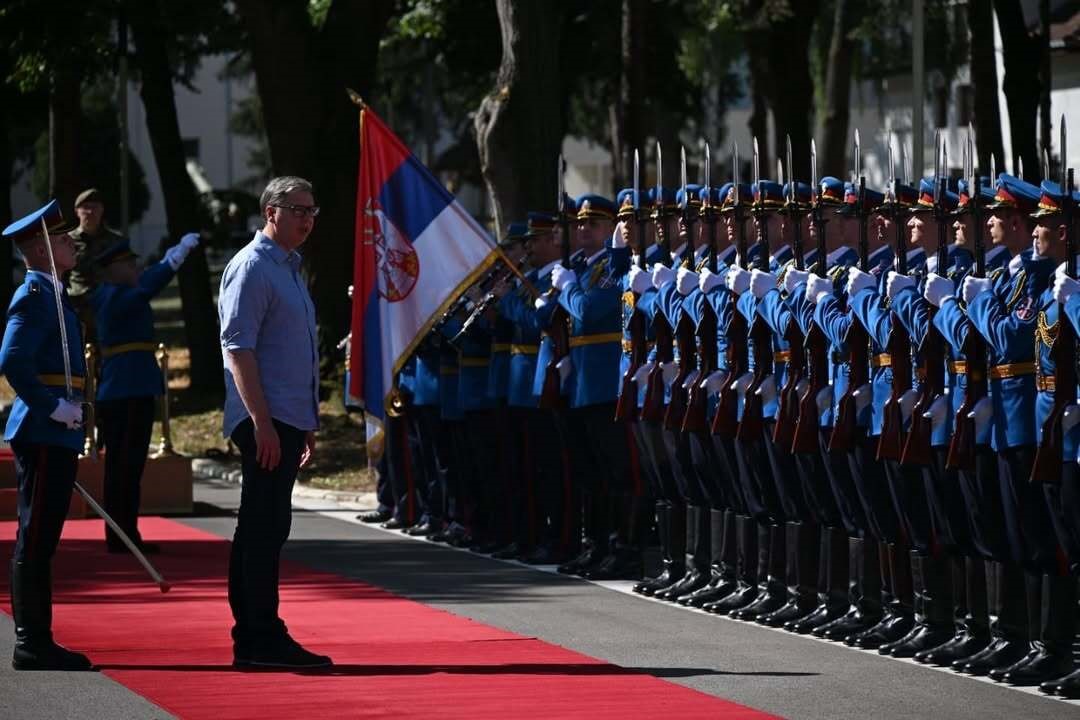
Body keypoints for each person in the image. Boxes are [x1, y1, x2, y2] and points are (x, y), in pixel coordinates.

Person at [218, 175, 329, 669]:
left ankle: (256, 632)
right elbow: (238, 349)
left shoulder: (289, 267)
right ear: (272, 212)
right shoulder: (253, 267)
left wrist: (305, 421)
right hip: (264, 414)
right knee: (263, 527)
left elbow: (294, 351)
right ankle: (258, 635)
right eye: (298, 210)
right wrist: (262, 421)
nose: (307, 219)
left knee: (266, 525)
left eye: (312, 211)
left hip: (285, 416)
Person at [1, 199, 93, 671]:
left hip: (57, 430)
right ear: (40, 250)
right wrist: (52, 406)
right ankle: (32, 642)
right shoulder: (34, 294)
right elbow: (12, 359)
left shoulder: (54, 294)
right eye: (60, 238)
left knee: (43, 537)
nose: (71, 242)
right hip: (42, 429)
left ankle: (38, 638)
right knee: (36, 538)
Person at [90, 233, 200, 553]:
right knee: (123, 468)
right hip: (125, 390)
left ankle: (125, 533)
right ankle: (121, 536)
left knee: (130, 468)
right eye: (128, 264)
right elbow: (148, 286)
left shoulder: (117, 293)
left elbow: (143, 284)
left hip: (131, 389)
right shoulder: (112, 296)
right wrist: (172, 261)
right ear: (113, 269)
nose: (135, 268)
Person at [67, 189, 127, 337]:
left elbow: (126, 274)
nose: (90, 212)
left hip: (108, 308)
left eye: (94, 207)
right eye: (85, 207)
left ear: (102, 210)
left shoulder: (116, 241)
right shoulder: (66, 242)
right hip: (77, 309)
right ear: (76, 211)